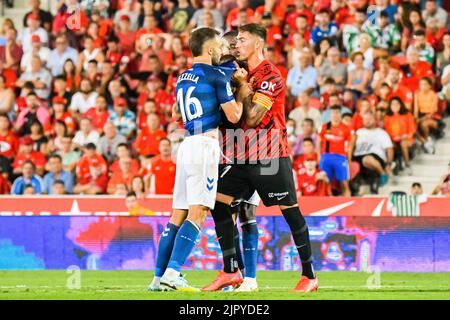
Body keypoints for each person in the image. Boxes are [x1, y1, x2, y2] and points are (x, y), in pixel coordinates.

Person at [202, 24, 317, 293]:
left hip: (269, 154)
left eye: (242, 40)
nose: (236, 44)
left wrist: (243, 88)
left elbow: (253, 118)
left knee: (289, 211)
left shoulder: (270, 76)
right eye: (236, 40)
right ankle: (231, 271)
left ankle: (309, 275)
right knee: (217, 202)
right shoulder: (235, 71)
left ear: (258, 44)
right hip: (238, 156)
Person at [151, 27, 245, 292]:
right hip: (205, 145)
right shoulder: (217, 74)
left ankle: (158, 278)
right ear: (211, 49)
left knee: (177, 214)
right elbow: (235, 116)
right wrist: (239, 88)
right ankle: (173, 272)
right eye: (220, 46)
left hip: (186, 143)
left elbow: (175, 115)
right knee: (200, 211)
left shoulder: (183, 76)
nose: (223, 50)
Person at [348, 112, 394, 194]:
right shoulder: (358, 132)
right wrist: (349, 159)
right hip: (358, 156)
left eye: (370, 119)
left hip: (375, 157)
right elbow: (351, 146)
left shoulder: (381, 133)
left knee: (367, 159)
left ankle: (382, 173)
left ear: (375, 120)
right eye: (365, 119)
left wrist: (389, 164)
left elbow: (389, 149)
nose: (367, 121)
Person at [317, 105, 351, 196]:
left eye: (337, 112)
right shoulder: (325, 127)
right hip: (326, 156)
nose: (335, 115)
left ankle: (348, 201)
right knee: (324, 181)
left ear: (340, 114)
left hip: (340, 157)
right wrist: (319, 157)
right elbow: (318, 142)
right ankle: (327, 202)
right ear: (330, 114)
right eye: (334, 112)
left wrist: (349, 160)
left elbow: (349, 146)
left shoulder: (346, 128)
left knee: (344, 183)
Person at [384, 97, 416, 175]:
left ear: (400, 105)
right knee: (388, 145)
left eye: (397, 104)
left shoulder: (407, 114)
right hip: (393, 139)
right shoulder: (387, 117)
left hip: (406, 139)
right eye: (393, 104)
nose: (395, 106)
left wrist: (405, 136)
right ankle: (390, 166)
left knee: (403, 143)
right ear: (390, 106)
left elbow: (412, 129)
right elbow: (387, 131)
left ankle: (407, 164)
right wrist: (393, 137)